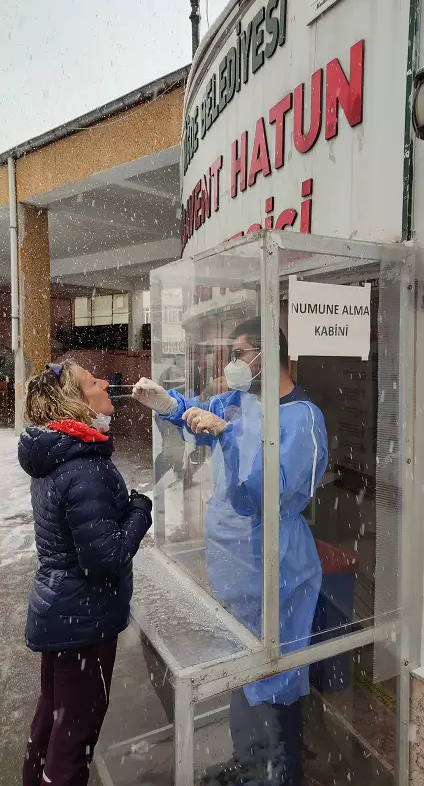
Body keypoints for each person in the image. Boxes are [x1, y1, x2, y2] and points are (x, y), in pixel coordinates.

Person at [133, 318, 328, 786]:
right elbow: (201, 417)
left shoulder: (302, 417)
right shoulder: (241, 402)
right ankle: (249, 764)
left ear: (267, 356)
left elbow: (270, 492)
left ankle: (278, 773)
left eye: (240, 354)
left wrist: (229, 435)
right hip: (237, 564)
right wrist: (170, 405)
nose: (232, 366)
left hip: (276, 563)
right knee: (244, 667)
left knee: (275, 674)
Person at [19, 361, 153, 786]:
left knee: (53, 717)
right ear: (78, 403)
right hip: (83, 622)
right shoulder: (84, 468)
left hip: (60, 612)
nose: (103, 383)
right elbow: (106, 559)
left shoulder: (59, 457)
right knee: (75, 736)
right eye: (92, 381)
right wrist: (140, 511)